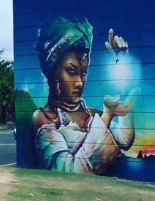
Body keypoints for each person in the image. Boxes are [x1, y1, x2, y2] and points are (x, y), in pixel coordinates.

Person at [32, 16, 139, 174]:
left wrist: (122, 64)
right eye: (71, 71)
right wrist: (107, 116)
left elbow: (124, 140)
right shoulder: (45, 118)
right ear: (52, 72)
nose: (79, 82)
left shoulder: (91, 113)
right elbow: (69, 170)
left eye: (84, 72)